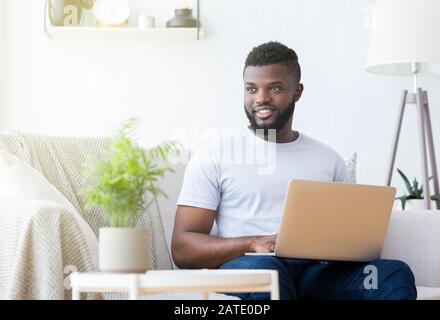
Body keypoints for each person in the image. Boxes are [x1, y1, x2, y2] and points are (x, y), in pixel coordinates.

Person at [171, 42, 417, 300]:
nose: (261, 98)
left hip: (316, 274)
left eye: (274, 88)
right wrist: (252, 243)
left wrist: (344, 248)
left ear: (297, 91)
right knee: (270, 273)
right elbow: (182, 248)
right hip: (249, 265)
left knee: (392, 273)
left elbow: (351, 237)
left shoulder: (329, 160)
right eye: (251, 89)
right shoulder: (216, 153)